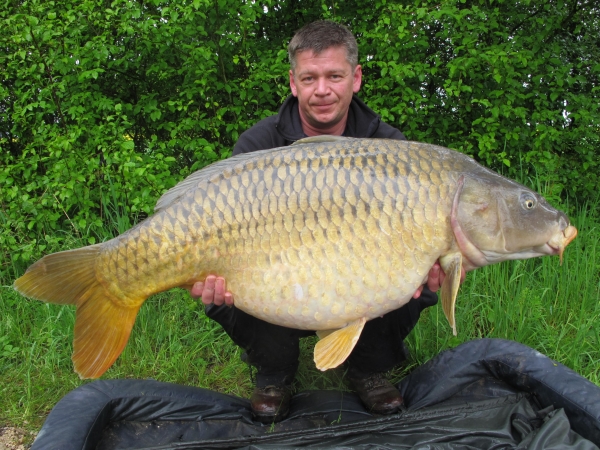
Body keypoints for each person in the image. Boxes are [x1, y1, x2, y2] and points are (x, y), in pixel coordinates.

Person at [190, 20, 462, 424]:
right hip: (276, 276)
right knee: (223, 287)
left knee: (417, 278)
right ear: (293, 83)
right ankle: (274, 375)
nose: (322, 90)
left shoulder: (391, 148)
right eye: (309, 78)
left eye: (334, 76)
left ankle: (368, 368)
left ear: (355, 78)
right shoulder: (257, 145)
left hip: (356, 274)